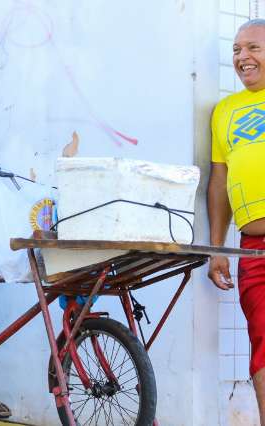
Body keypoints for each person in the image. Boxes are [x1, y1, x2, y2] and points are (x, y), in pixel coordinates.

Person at [208, 18, 265, 424]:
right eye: (236, 50)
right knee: (262, 344)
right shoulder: (224, 112)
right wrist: (216, 249)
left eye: (253, 48)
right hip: (253, 249)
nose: (242, 57)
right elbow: (218, 182)